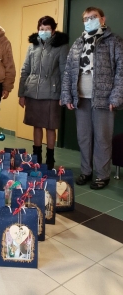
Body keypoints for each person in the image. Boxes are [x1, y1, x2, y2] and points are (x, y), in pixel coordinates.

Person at [61, 7, 123, 189]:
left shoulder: (114, 41)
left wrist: (116, 97)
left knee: (102, 138)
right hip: (81, 98)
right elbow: (68, 72)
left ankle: (102, 175)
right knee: (84, 137)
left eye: (93, 17)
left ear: (102, 19)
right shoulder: (78, 43)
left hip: (104, 99)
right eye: (86, 18)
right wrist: (67, 95)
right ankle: (86, 171)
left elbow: (121, 72)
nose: (89, 21)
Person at [18, 16, 69, 169]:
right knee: (36, 125)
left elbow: (64, 72)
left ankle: (51, 158)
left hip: (52, 93)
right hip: (33, 92)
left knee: (50, 126)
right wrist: (21, 93)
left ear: (53, 30)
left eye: (47, 29)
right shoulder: (32, 46)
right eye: (41, 28)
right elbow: (25, 70)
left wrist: (64, 94)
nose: (44, 31)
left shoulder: (61, 46)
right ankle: (37, 157)